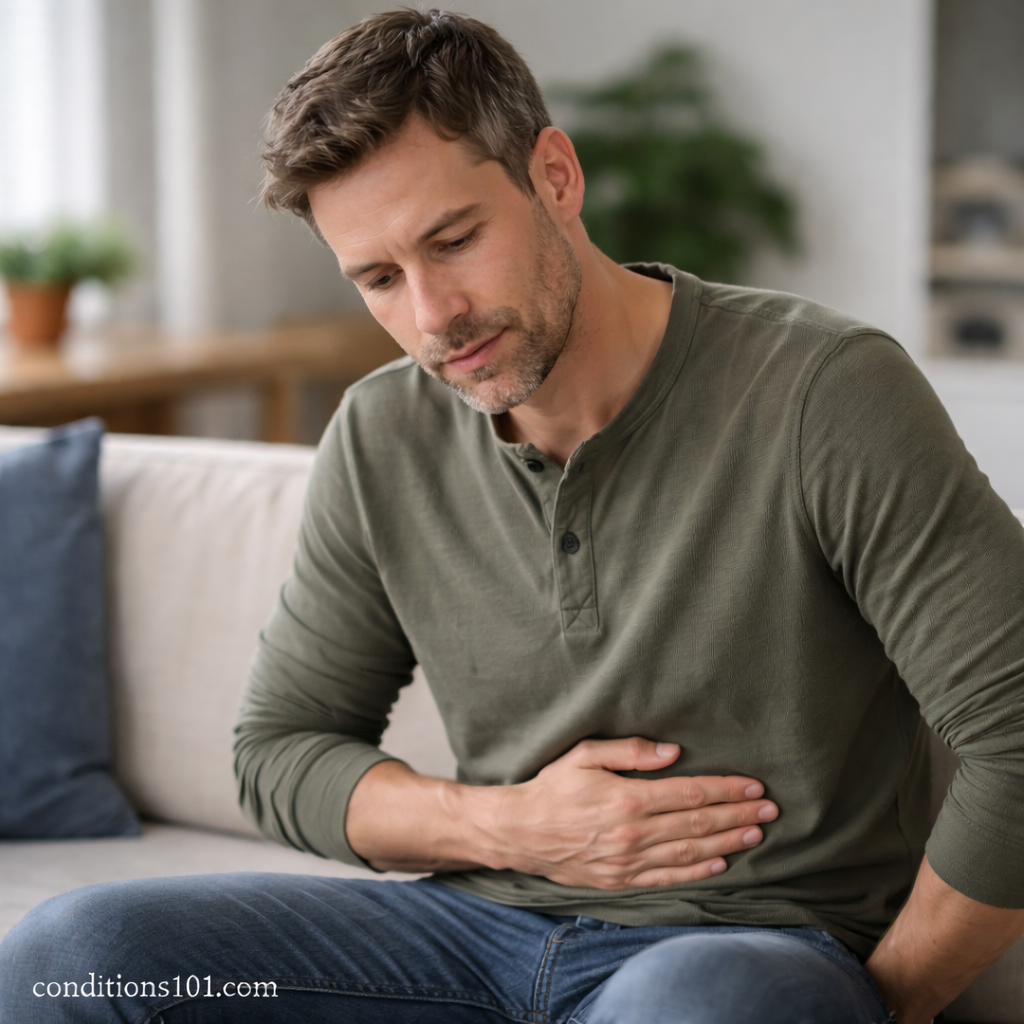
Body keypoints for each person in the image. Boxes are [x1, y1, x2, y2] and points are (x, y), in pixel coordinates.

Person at [2, 9, 1024, 1023]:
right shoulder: (382, 434)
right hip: (472, 936)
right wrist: (512, 827)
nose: (432, 317)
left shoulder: (821, 392)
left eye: (454, 240)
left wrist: (890, 1001)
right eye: (378, 278)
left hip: (740, 949)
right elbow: (281, 750)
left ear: (555, 177)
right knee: (71, 956)